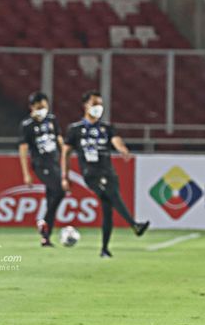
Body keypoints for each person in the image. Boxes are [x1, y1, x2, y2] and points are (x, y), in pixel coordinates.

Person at [62, 90, 149, 257]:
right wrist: (64, 177)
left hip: (108, 171)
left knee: (108, 207)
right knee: (112, 195)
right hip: (91, 173)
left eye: (100, 104)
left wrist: (123, 149)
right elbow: (66, 153)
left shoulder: (106, 128)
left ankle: (104, 249)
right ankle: (134, 224)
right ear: (85, 106)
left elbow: (116, 140)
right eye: (95, 104)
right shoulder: (75, 129)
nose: (98, 107)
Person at [18, 91, 65, 246]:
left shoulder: (52, 120)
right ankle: (43, 220)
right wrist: (26, 174)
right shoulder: (27, 125)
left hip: (54, 163)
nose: (42, 109)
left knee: (53, 197)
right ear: (31, 107)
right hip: (40, 164)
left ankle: (46, 237)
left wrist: (65, 158)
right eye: (39, 107)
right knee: (60, 191)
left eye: (44, 106)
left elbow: (60, 141)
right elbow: (23, 149)